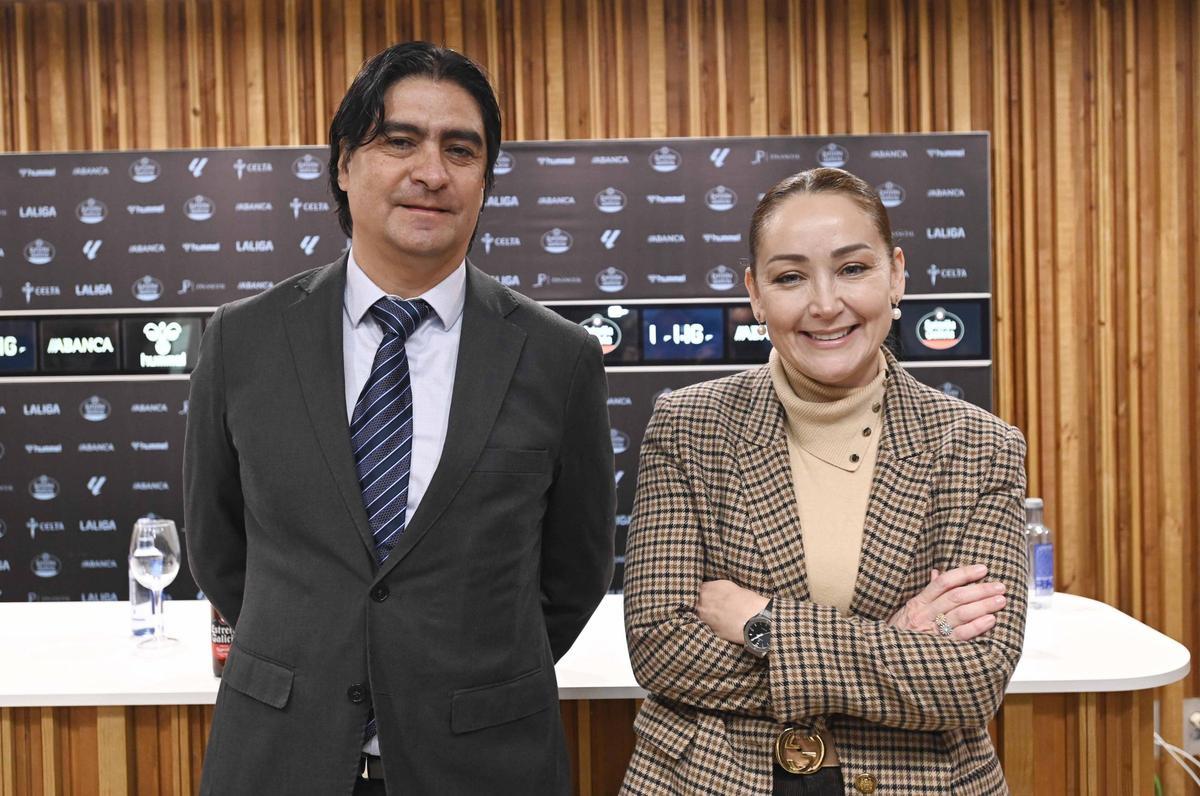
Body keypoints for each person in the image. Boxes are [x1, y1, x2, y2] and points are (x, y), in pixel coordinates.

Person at [185, 41, 615, 795]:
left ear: (484, 180)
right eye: (399, 141)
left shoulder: (562, 359)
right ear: (345, 165)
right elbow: (221, 551)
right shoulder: (241, 340)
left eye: (461, 149)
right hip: (281, 755)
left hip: (483, 763)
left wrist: (454, 679)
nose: (431, 172)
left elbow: (571, 577)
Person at [621, 168, 1027, 795]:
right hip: (710, 778)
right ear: (755, 295)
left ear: (896, 273)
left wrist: (764, 625)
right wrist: (893, 645)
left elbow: (973, 680)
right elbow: (661, 646)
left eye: (853, 269)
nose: (825, 303)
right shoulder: (687, 427)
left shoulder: (980, 447)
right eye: (790, 277)